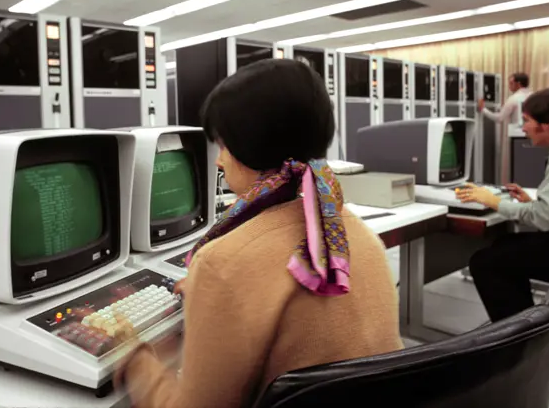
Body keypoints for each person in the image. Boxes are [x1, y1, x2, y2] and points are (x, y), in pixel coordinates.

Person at [114, 59, 403, 408]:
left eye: (224, 145)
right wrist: (218, 301)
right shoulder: (356, 237)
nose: (219, 161)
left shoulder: (223, 264)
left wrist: (133, 358)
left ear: (249, 145)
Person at [457, 87, 549, 390]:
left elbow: (545, 218)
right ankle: (529, 328)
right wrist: (527, 201)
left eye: (527, 120)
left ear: (547, 123)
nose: (523, 128)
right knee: (503, 250)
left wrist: (492, 201)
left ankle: (529, 351)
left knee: (485, 263)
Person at [478, 72, 532, 183]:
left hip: (517, 139)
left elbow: (499, 118)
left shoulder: (514, 98)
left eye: (511, 83)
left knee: (519, 171)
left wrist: (483, 109)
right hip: (534, 138)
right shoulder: (534, 96)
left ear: (518, 84)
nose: (509, 86)